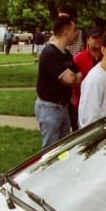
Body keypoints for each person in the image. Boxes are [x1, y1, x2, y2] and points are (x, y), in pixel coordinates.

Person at [34, 15, 81, 148]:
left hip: (63, 106)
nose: (76, 33)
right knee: (50, 150)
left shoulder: (66, 54)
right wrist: (70, 79)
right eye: (74, 30)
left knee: (62, 148)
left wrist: (68, 80)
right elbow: (72, 78)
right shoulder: (50, 53)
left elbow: (78, 76)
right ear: (66, 31)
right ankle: (45, 170)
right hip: (49, 108)